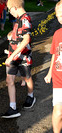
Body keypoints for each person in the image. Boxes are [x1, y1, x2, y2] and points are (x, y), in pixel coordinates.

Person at [1, 0, 35, 119]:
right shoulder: (19, 20)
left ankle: (31, 95)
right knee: (9, 80)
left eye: (9, 10)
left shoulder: (25, 19)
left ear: (15, 7)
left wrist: (11, 56)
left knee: (26, 77)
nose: (10, 13)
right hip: (14, 57)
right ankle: (13, 108)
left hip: (23, 56)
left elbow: (26, 40)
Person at [44, 1, 62, 132]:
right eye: (58, 16)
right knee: (58, 111)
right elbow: (55, 54)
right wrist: (50, 72)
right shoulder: (57, 34)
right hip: (58, 78)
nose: (60, 19)